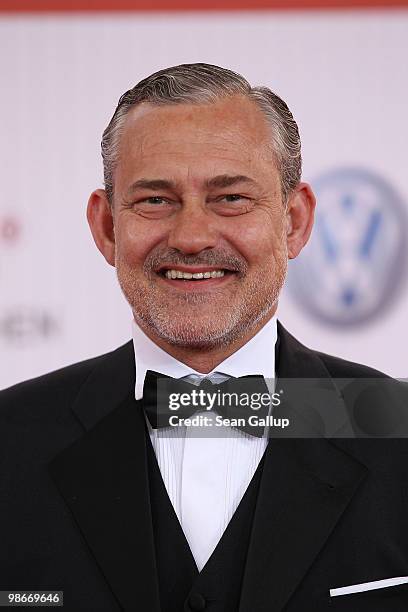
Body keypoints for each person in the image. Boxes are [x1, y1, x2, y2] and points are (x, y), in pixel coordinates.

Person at [1, 63, 407, 612]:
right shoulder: (11, 438)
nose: (191, 237)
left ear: (294, 222)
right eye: (155, 200)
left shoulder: (394, 427)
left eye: (231, 198)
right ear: (107, 228)